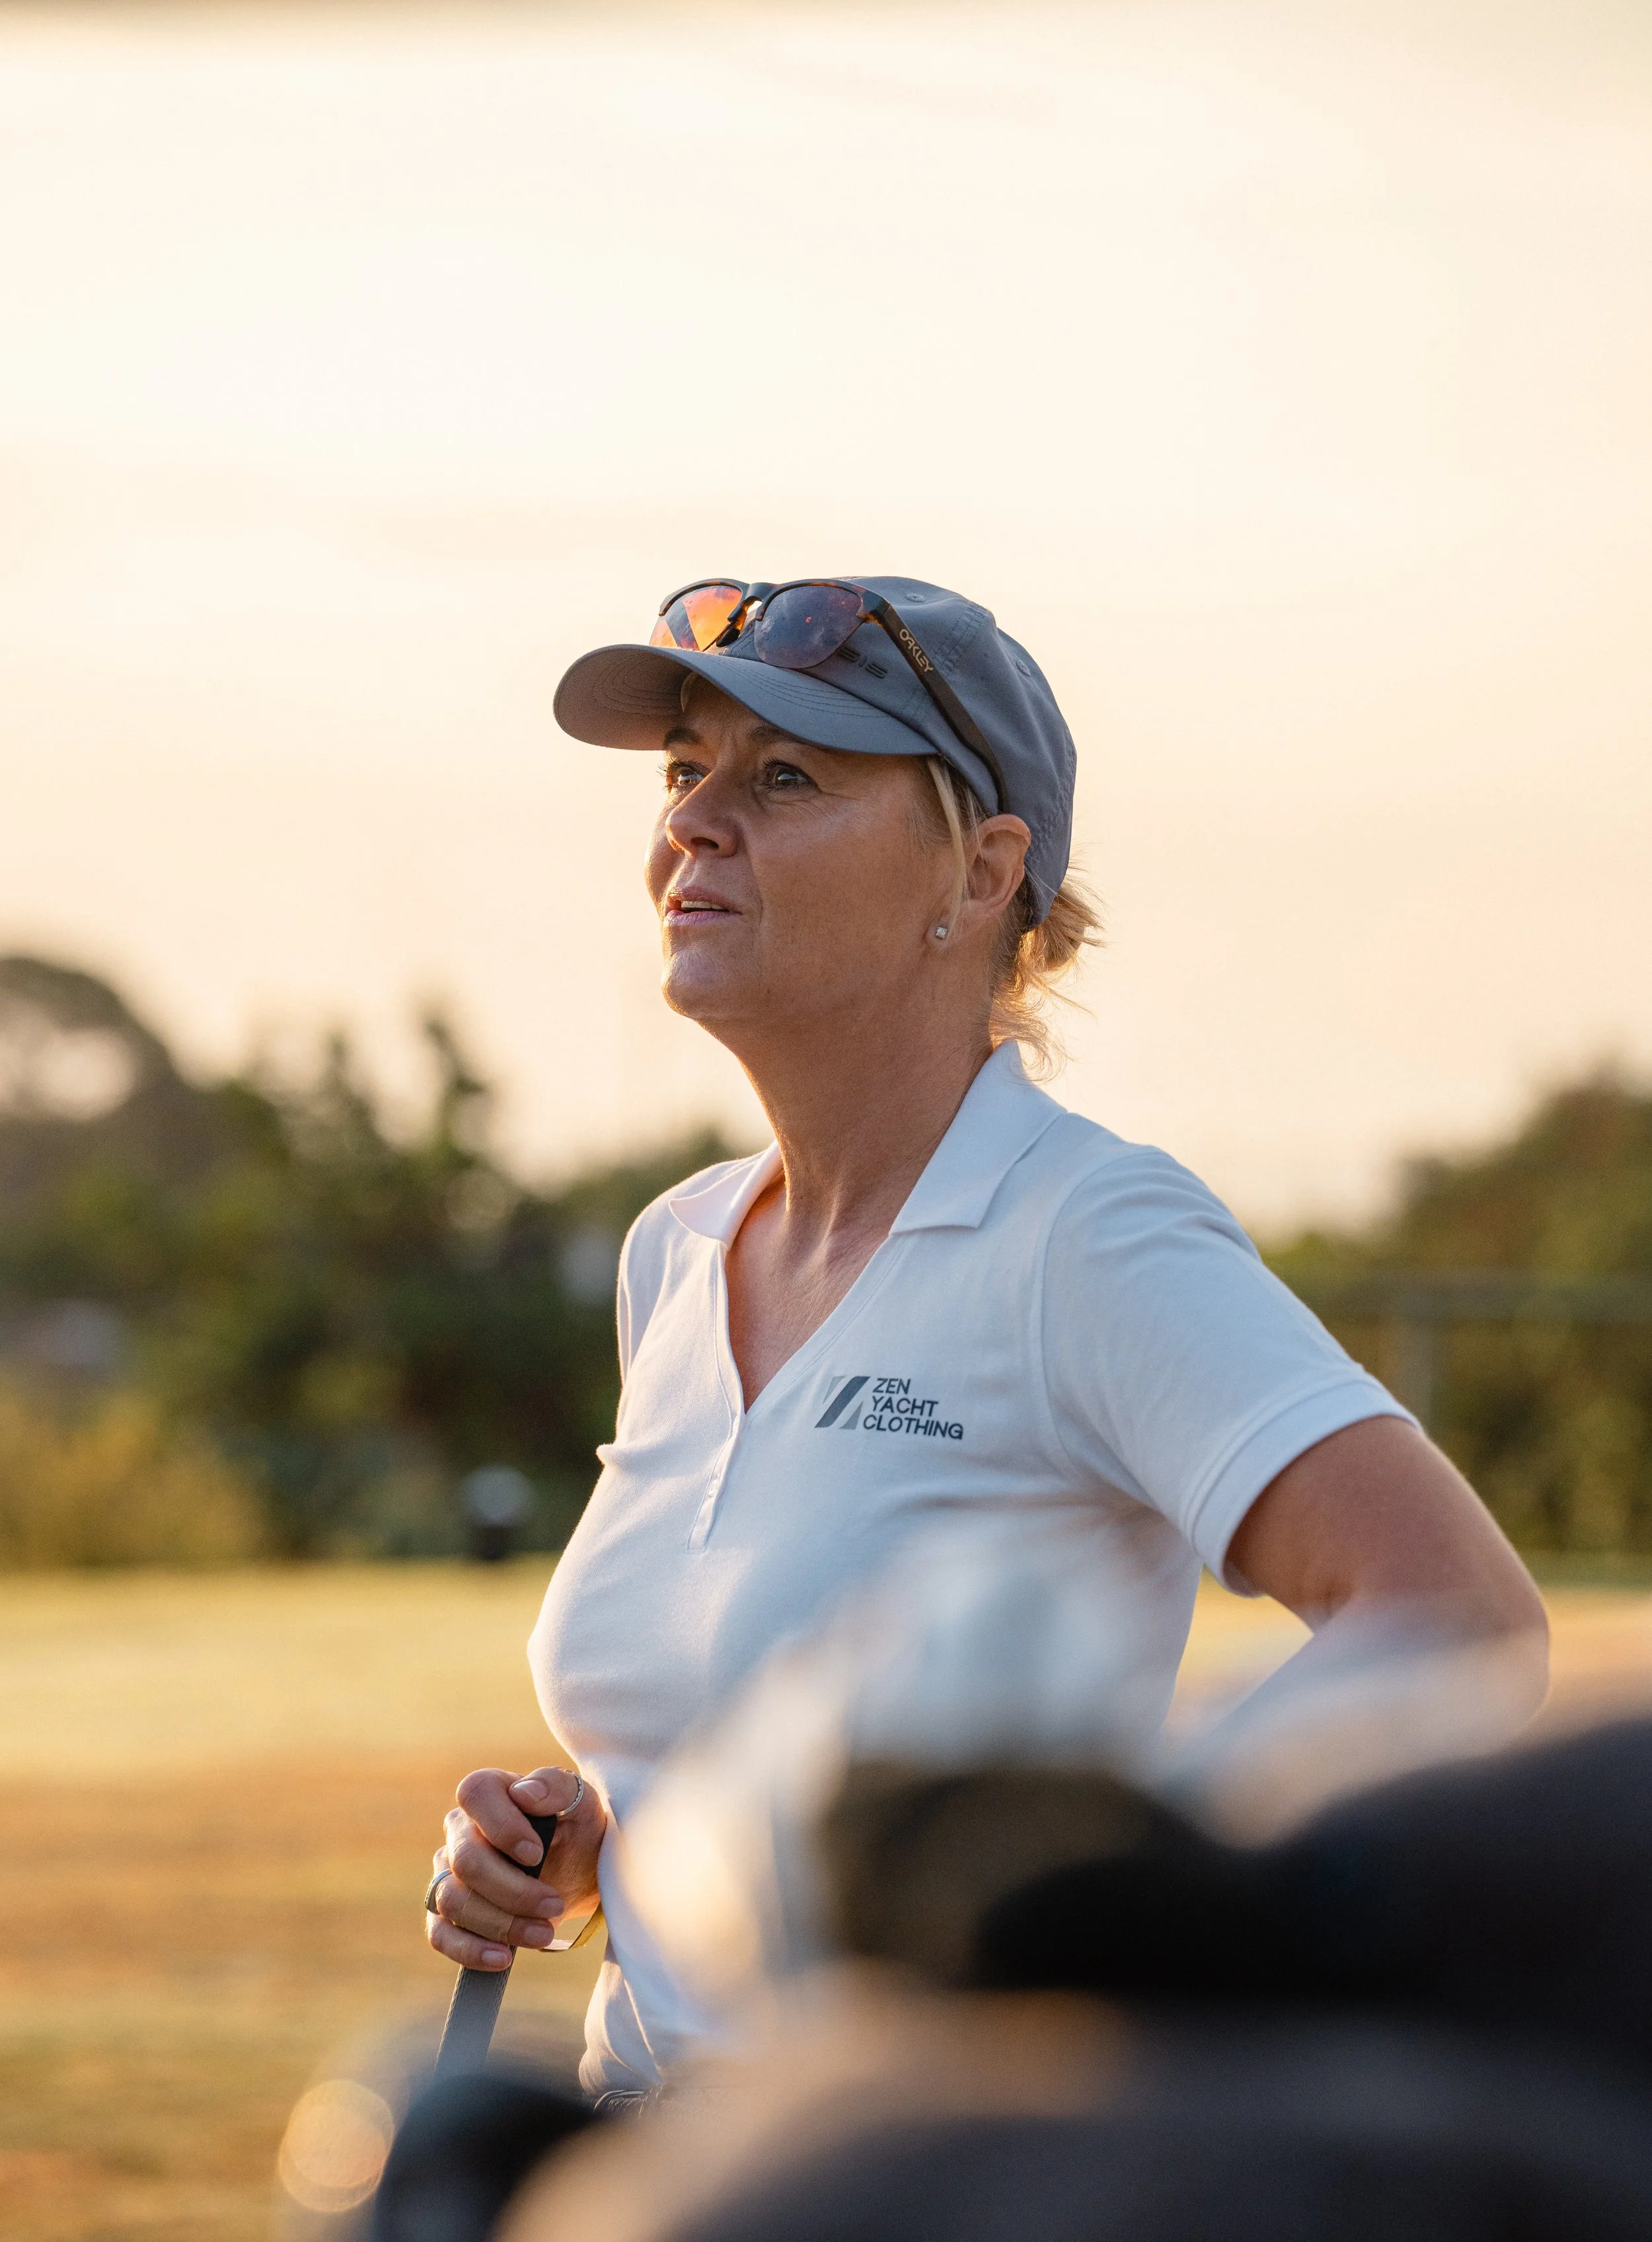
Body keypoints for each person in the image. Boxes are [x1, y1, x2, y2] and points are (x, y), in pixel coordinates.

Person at [424, 574, 1548, 2097]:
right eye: (687, 771)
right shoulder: (674, 1251)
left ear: (979, 870)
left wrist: (1074, 1889)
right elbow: (760, 1758)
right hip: (633, 2233)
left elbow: (1455, 1624)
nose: (691, 822)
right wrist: (594, 1849)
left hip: (918, 2227)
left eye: (786, 777)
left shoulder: (1085, 1234)